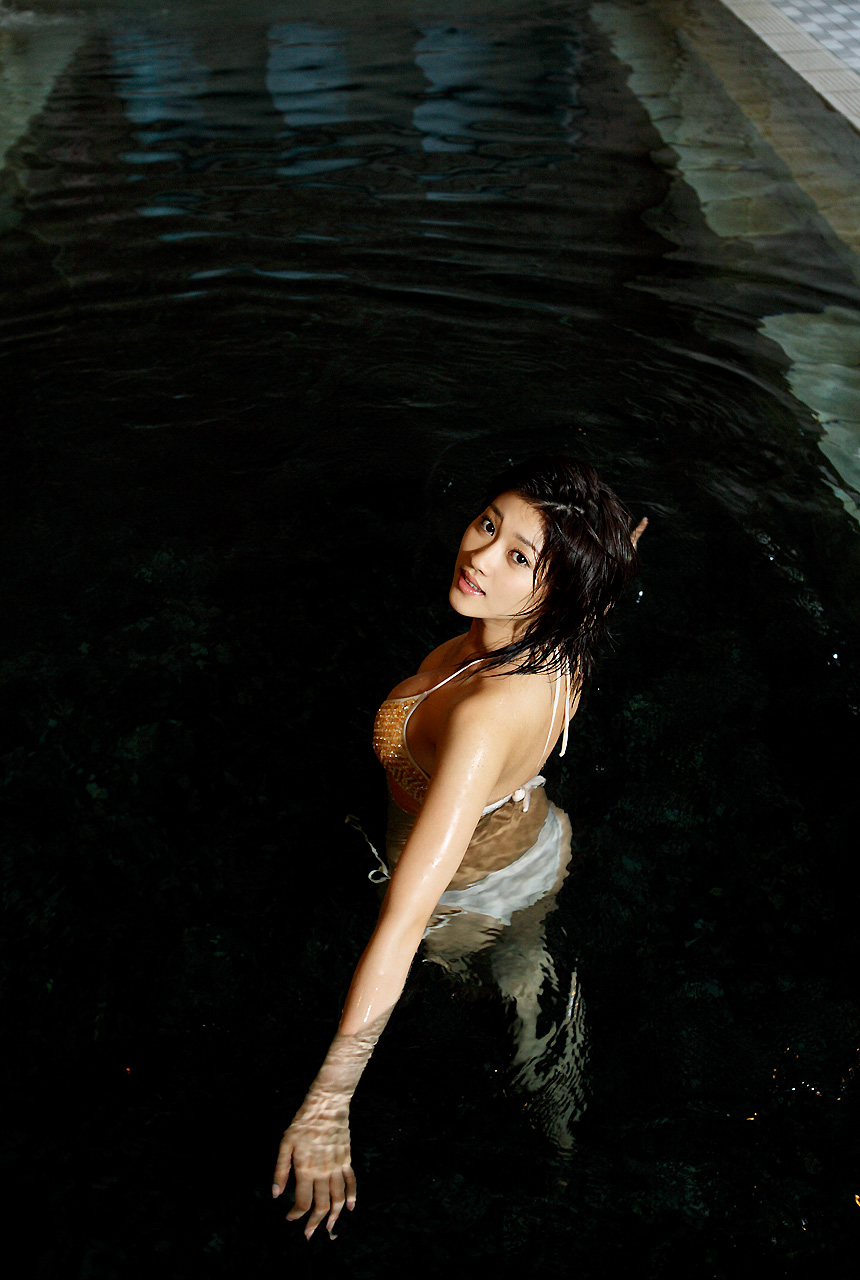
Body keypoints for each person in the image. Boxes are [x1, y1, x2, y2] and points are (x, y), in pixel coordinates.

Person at [271, 454, 646, 1238]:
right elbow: (593, 597)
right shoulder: (562, 636)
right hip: (537, 835)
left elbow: (405, 923)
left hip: (468, 896)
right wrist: (617, 554)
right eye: (488, 524)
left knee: (511, 988)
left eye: (520, 558)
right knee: (521, 958)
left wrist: (329, 1101)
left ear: (558, 591)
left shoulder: (482, 718)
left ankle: (563, 1146)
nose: (480, 556)